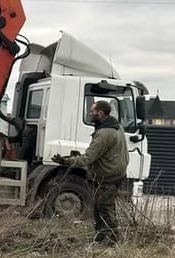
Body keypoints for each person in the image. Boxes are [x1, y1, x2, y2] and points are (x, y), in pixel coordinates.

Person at [52, 100, 129, 244]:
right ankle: (101, 238)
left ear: (100, 113)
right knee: (102, 208)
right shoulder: (116, 126)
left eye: (92, 111)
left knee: (103, 209)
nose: (90, 113)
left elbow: (87, 158)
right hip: (114, 174)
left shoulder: (104, 134)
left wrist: (65, 161)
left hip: (107, 177)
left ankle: (111, 240)